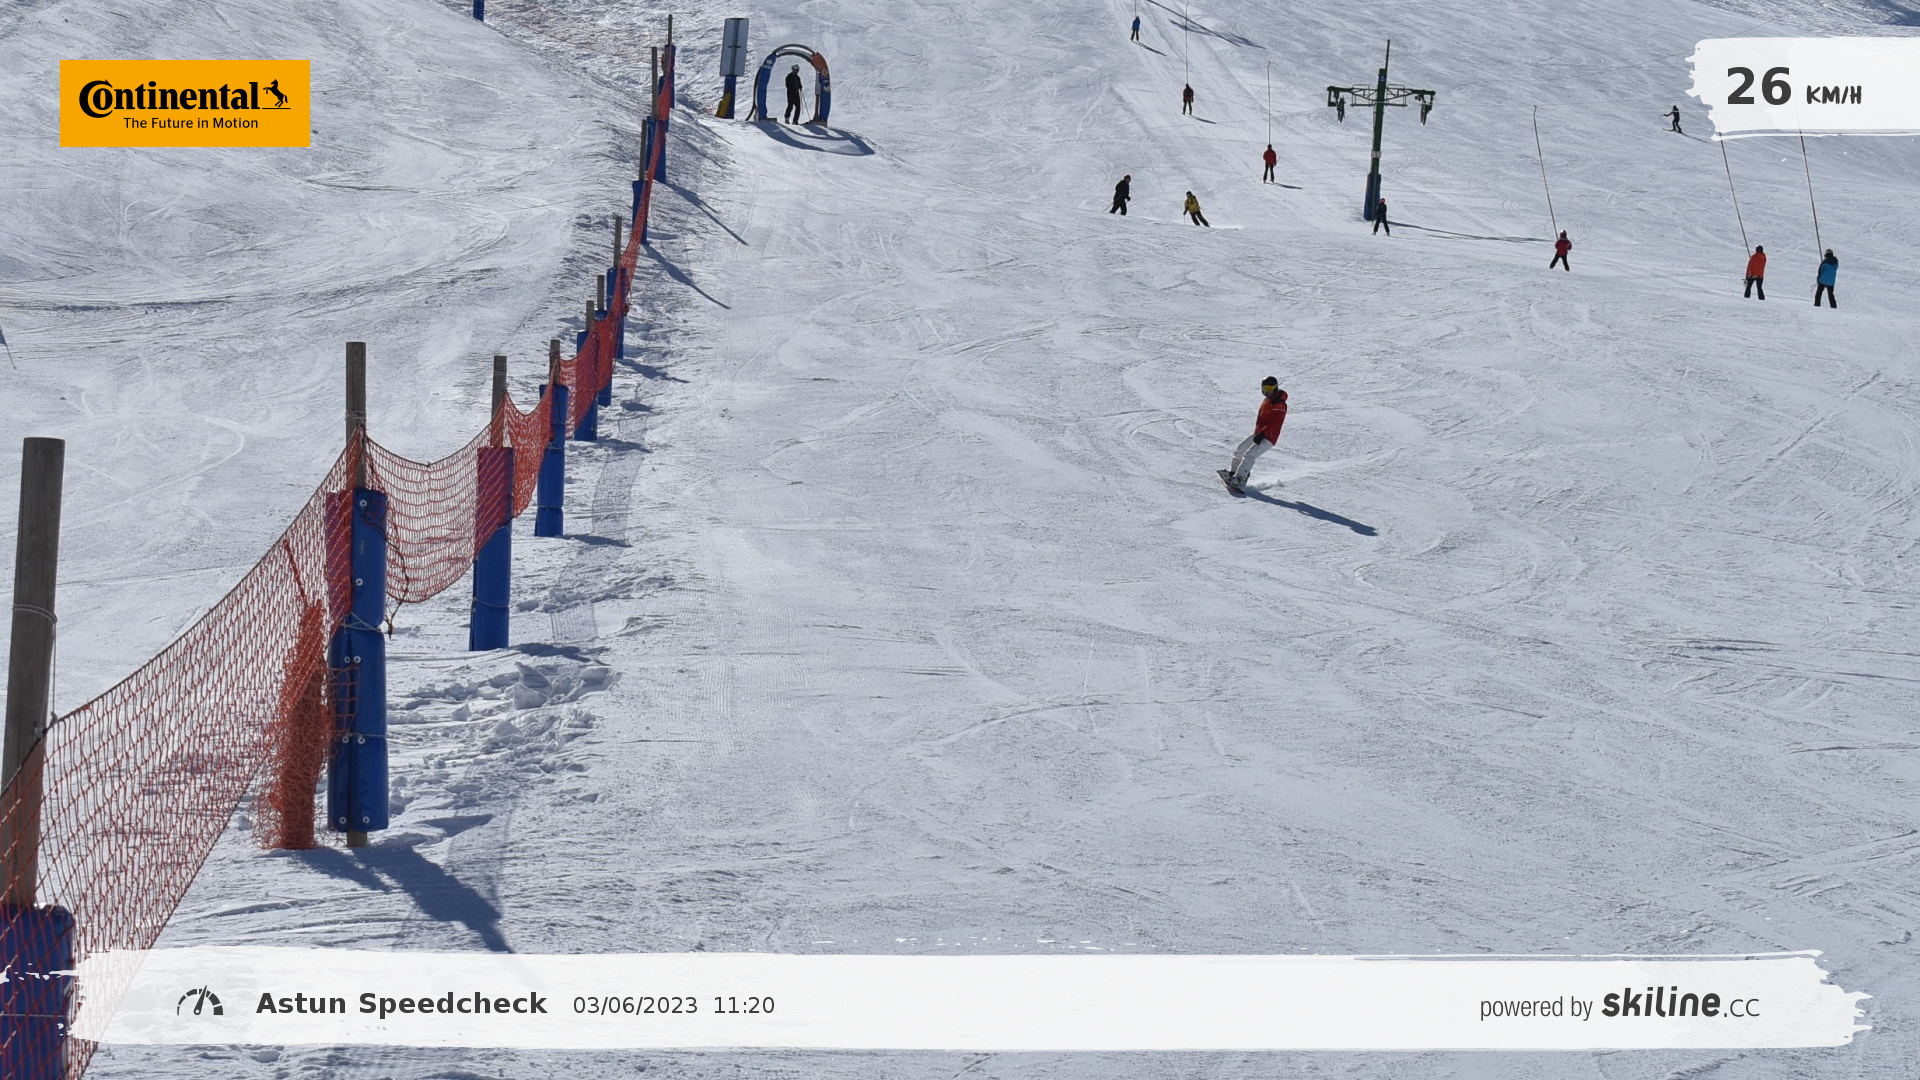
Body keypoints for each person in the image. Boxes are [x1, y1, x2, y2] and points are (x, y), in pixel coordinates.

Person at [1227, 378, 1288, 490]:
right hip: (1259, 434)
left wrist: (1263, 434)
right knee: (1240, 449)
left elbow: (1275, 423)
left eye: (1269, 388)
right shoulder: (1267, 400)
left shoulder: (1279, 404)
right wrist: (1259, 433)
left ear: (1275, 388)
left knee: (1250, 455)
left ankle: (1240, 479)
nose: (1266, 391)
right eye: (1264, 388)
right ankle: (1233, 473)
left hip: (1269, 437)